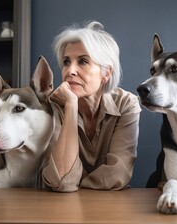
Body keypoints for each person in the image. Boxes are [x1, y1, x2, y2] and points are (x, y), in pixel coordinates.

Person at [42, 20, 141, 192]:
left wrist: (77, 183)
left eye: (83, 61)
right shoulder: (54, 105)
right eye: (66, 62)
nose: (70, 70)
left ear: (106, 73)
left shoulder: (126, 104)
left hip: (112, 208)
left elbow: (118, 175)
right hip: (61, 210)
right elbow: (61, 181)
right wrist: (71, 106)